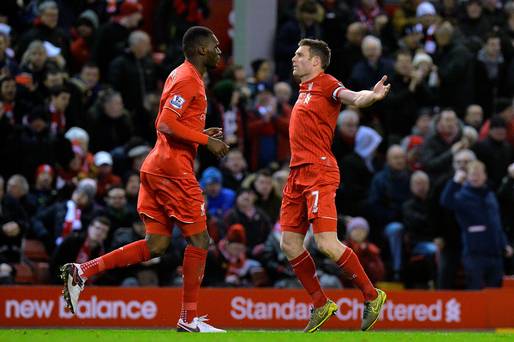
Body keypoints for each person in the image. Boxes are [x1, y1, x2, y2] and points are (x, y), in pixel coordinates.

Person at [60, 26, 229, 333]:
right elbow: (164, 123)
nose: (220, 51)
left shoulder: (184, 75)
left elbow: (174, 124)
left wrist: (198, 137)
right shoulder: (189, 78)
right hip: (172, 169)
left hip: (158, 166)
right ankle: (188, 319)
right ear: (202, 49)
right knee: (201, 240)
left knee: (157, 245)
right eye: (216, 46)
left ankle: (82, 271)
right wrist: (207, 143)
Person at [279, 38, 389, 333]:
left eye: (299, 54)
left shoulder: (327, 84)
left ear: (316, 61)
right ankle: (320, 303)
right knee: (288, 243)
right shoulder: (303, 90)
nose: (293, 58)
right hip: (296, 173)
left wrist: (372, 96)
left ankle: (372, 295)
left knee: (326, 243)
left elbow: (353, 97)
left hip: (318, 170)